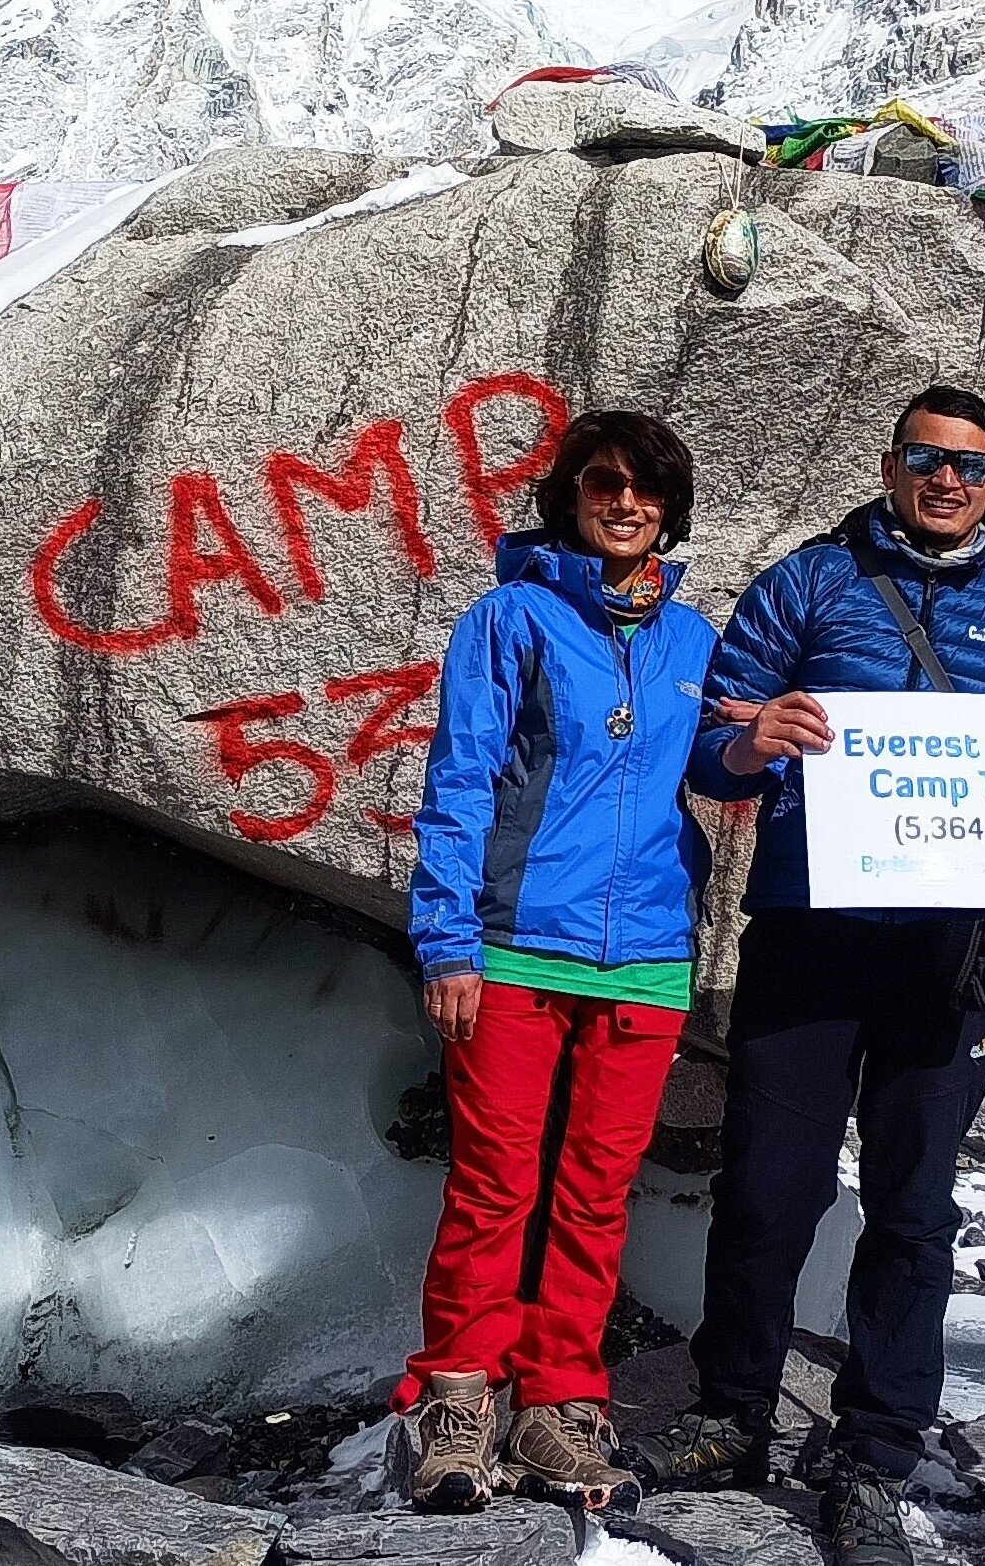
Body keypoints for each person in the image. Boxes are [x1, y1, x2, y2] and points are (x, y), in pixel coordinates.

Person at [643, 385, 985, 1566]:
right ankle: (728, 1412)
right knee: (767, 1186)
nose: (945, 480)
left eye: (969, 466)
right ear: (890, 468)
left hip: (948, 955)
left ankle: (876, 1442)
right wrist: (745, 743)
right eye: (924, 458)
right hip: (808, 929)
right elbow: (706, 742)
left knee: (915, 1207)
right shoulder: (808, 582)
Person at [400, 410, 721, 1512]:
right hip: (517, 948)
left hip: (645, 957)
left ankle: (561, 1405)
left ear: (669, 507)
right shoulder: (511, 616)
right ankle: (455, 1398)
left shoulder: (692, 639)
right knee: (495, 1185)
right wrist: (446, 938)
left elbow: (722, 761)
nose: (623, 501)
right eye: (602, 481)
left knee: (593, 1195)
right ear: (570, 495)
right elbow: (459, 781)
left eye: (644, 487)